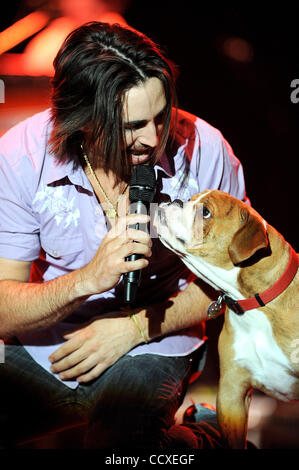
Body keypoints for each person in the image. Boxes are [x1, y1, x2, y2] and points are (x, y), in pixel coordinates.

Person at [0, 21, 249, 449]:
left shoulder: (205, 150)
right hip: (48, 340)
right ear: (82, 120)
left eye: (161, 115)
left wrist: (133, 329)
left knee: (122, 448)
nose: (154, 138)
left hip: (156, 337)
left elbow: (236, 281)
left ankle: (203, 438)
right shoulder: (19, 157)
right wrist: (86, 280)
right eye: (133, 125)